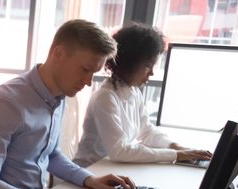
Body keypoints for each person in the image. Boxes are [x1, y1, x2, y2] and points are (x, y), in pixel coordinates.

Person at [0, 19, 136, 189]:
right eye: (85, 69)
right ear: (58, 54)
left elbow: (50, 154)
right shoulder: (7, 104)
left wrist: (90, 179)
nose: (88, 81)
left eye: (93, 73)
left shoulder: (57, 96)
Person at [73, 23, 212, 167]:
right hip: (91, 171)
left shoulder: (133, 91)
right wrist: (176, 155)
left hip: (113, 169)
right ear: (129, 62)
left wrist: (176, 147)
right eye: (148, 65)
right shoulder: (105, 98)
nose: (151, 72)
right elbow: (120, 150)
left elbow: (146, 131)